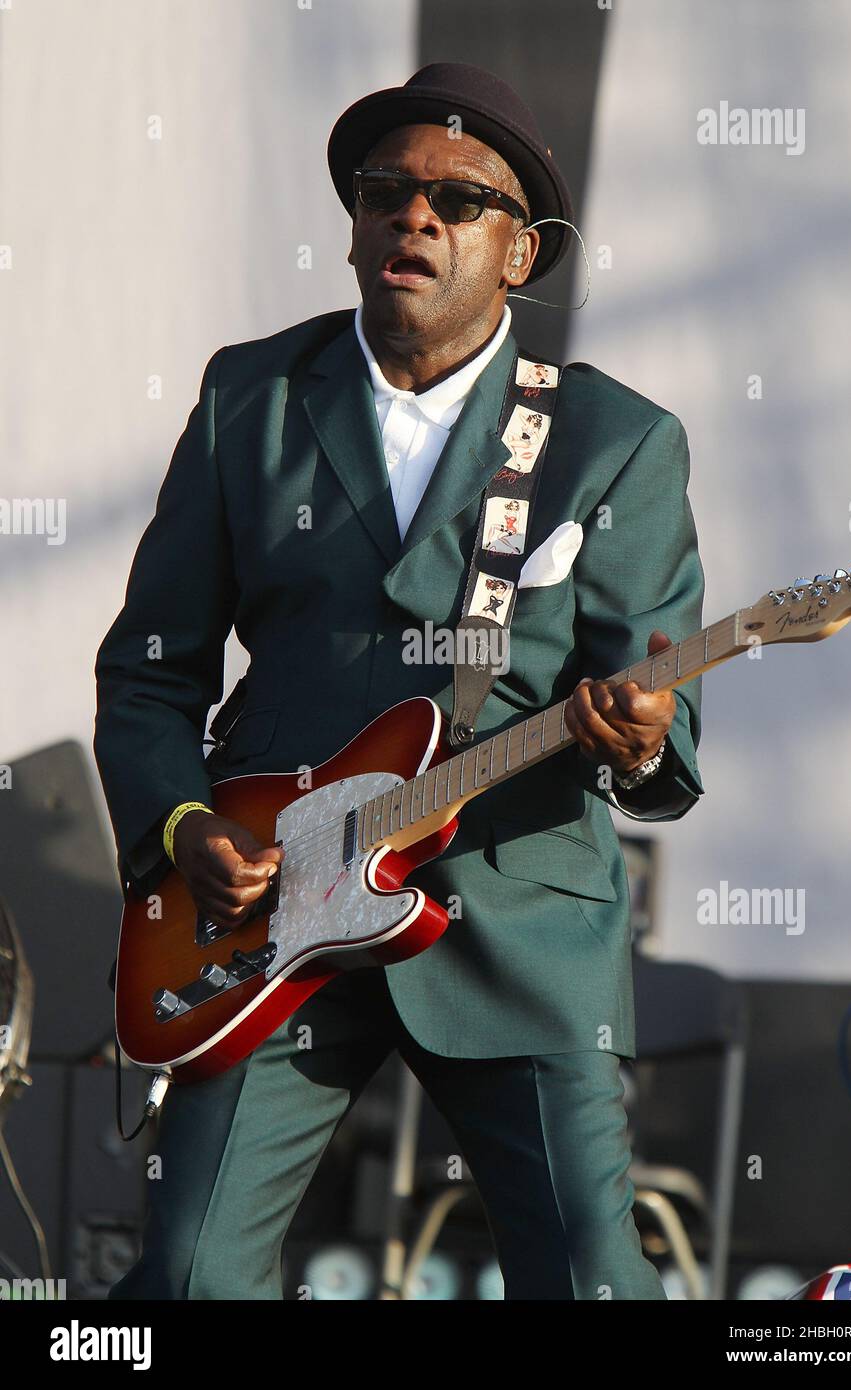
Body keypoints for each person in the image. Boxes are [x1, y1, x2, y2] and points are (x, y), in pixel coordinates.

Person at [94, 61, 705, 1301]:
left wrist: (636, 733)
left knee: (592, 1282)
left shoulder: (613, 440)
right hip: (267, 922)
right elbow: (149, 674)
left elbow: (658, 713)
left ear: (519, 255)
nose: (414, 217)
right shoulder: (248, 400)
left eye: (457, 201)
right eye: (387, 192)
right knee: (187, 1280)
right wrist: (183, 820)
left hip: (515, 915)